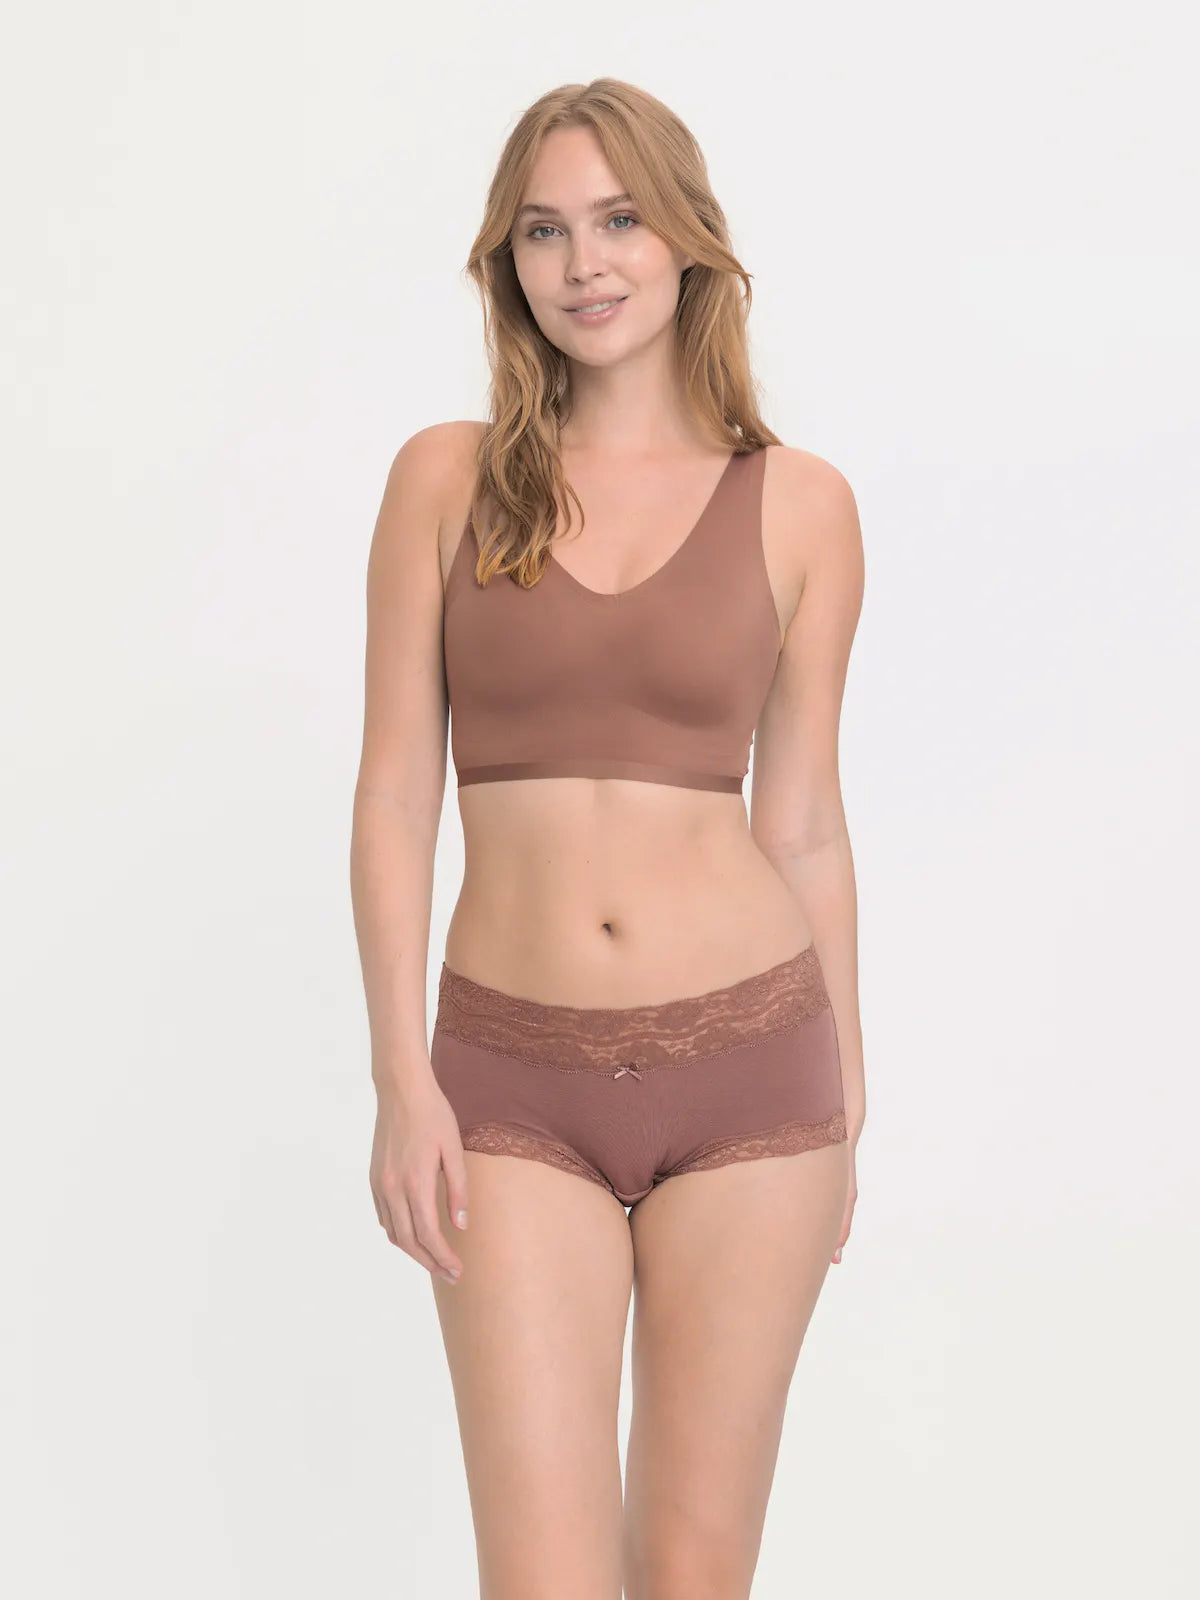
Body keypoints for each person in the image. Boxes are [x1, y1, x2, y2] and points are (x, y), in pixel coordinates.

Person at [351, 77, 866, 1600]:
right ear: (506, 261)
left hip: (752, 1074)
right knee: (544, 1580)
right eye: (545, 231)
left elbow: (806, 824)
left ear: (688, 238)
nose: (585, 263)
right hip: (510, 1085)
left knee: (697, 1573)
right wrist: (400, 1076)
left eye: (621, 219)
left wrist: (850, 1103)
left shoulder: (802, 505)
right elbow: (395, 794)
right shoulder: (446, 479)